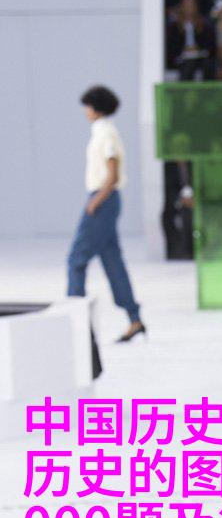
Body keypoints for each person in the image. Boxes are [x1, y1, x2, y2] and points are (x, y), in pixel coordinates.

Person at [67, 86, 145, 344]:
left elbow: (112, 173)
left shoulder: (106, 132)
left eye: (88, 106)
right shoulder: (104, 130)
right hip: (106, 200)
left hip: (102, 199)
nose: (85, 111)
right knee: (113, 262)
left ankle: (74, 320)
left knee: (76, 259)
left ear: (96, 107)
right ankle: (134, 318)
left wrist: (95, 202)